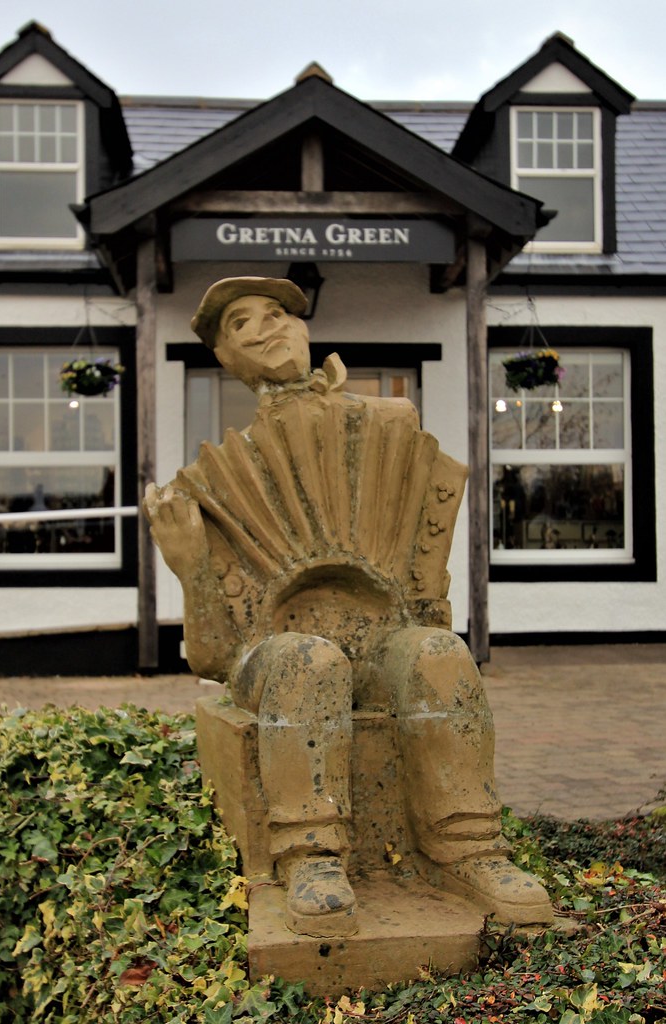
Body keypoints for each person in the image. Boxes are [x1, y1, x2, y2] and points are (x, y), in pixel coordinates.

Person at [144, 277, 552, 938]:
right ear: (224, 357)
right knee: (308, 660)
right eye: (240, 323)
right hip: (278, 655)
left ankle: (469, 849)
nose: (264, 328)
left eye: (275, 313)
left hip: (381, 633)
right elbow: (213, 657)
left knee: (438, 653)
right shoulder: (216, 482)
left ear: (305, 329)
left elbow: (427, 599)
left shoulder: (386, 426)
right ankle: (310, 855)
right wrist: (190, 565)